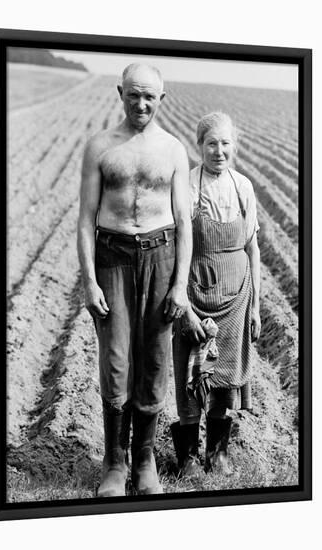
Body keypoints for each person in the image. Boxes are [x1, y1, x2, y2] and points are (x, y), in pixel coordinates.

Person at [77, 63, 192, 496]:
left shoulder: (174, 150)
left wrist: (179, 284)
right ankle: (114, 464)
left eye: (151, 96)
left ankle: (144, 462)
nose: (141, 103)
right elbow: (86, 220)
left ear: (163, 98)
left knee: (156, 359)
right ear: (120, 92)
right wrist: (89, 281)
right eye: (133, 94)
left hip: (160, 257)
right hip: (114, 258)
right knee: (116, 360)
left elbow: (184, 221)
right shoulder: (100, 146)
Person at [171, 112, 261, 477]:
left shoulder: (243, 187)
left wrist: (255, 305)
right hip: (195, 295)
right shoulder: (188, 186)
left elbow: (253, 248)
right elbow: (177, 245)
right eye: (211, 143)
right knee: (192, 373)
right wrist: (182, 302)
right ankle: (189, 456)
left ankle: (218, 453)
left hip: (236, 297)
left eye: (225, 143)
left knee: (224, 377)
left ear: (233, 146)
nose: (219, 151)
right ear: (199, 147)